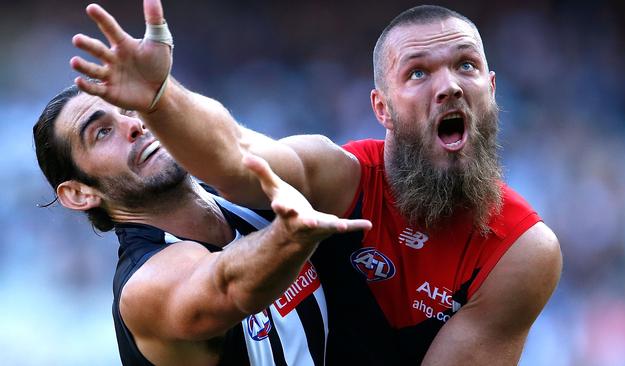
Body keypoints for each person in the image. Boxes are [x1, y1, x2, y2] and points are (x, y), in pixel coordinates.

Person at [70, 1, 563, 364]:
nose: (450, 85)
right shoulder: (338, 177)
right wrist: (159, 98)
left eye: (466, 65)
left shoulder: (520, 251)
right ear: (381, 109)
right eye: (417, 73)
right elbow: (235, 154)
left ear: (492, 89)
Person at [33, 85, 371, 364]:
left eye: (131, 107)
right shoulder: (142, 287)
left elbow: (324, 162)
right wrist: (291, 234)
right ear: (78, 193)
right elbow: (228, 286)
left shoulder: (249, 194)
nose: (134, 125)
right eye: (103, 132)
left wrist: (158, 87)